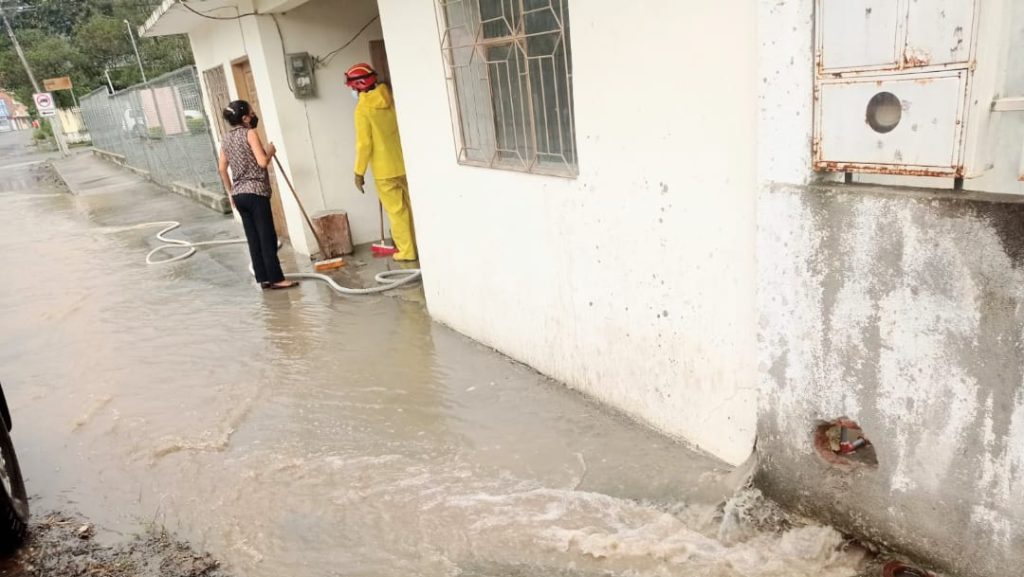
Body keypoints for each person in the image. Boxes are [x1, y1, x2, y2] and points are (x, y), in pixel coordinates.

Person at [217, 100, 298, 290]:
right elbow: (262, 162)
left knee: (253, 238)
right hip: (256, 193)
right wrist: (269, 150)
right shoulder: (250, 133)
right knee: (267, 237)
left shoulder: (225, 139)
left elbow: (222, 168)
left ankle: (263, 279)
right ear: (244, 117)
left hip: (239, 195)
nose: (254, 116)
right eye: (251, 113)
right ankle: (277, 279)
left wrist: (230, 194)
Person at [346, 63, 418, 261]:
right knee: (414, 206)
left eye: (352, 88)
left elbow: (364, 144)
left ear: (359, 86)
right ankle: (420, 245)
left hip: (384, 170)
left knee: (397, 212)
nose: (352, 91)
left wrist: (358, 172)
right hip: (405, 162)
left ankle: (407, 251)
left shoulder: (362, 110)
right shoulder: (390, 97)